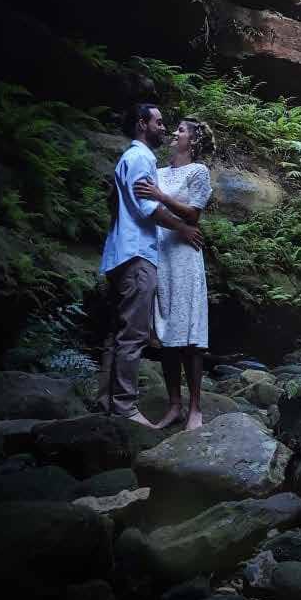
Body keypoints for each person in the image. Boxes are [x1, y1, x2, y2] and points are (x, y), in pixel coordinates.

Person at [97, 103, 203, 425]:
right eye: (158, 122)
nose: (164, 128)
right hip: (138, 255)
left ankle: (107, 402)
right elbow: (148, 208)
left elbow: (114, 203)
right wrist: (182, 228)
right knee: (133, 335)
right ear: (142, 124)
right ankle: (125, 407)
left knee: (116, 333)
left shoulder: (126, 158)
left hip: (118, 253)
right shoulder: (143, 159)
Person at [134, 118, 214, 430]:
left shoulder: (198, 171)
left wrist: (161, 196)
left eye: (181, 130)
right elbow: (147, 209)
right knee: (166, 330)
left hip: (184, 255)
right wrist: (156, 195)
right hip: (160, 254)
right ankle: (174, 405)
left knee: (190, 330)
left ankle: (195, 408)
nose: (174, 132)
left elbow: (193, 214)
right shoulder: (158, 172)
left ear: (192, 141)